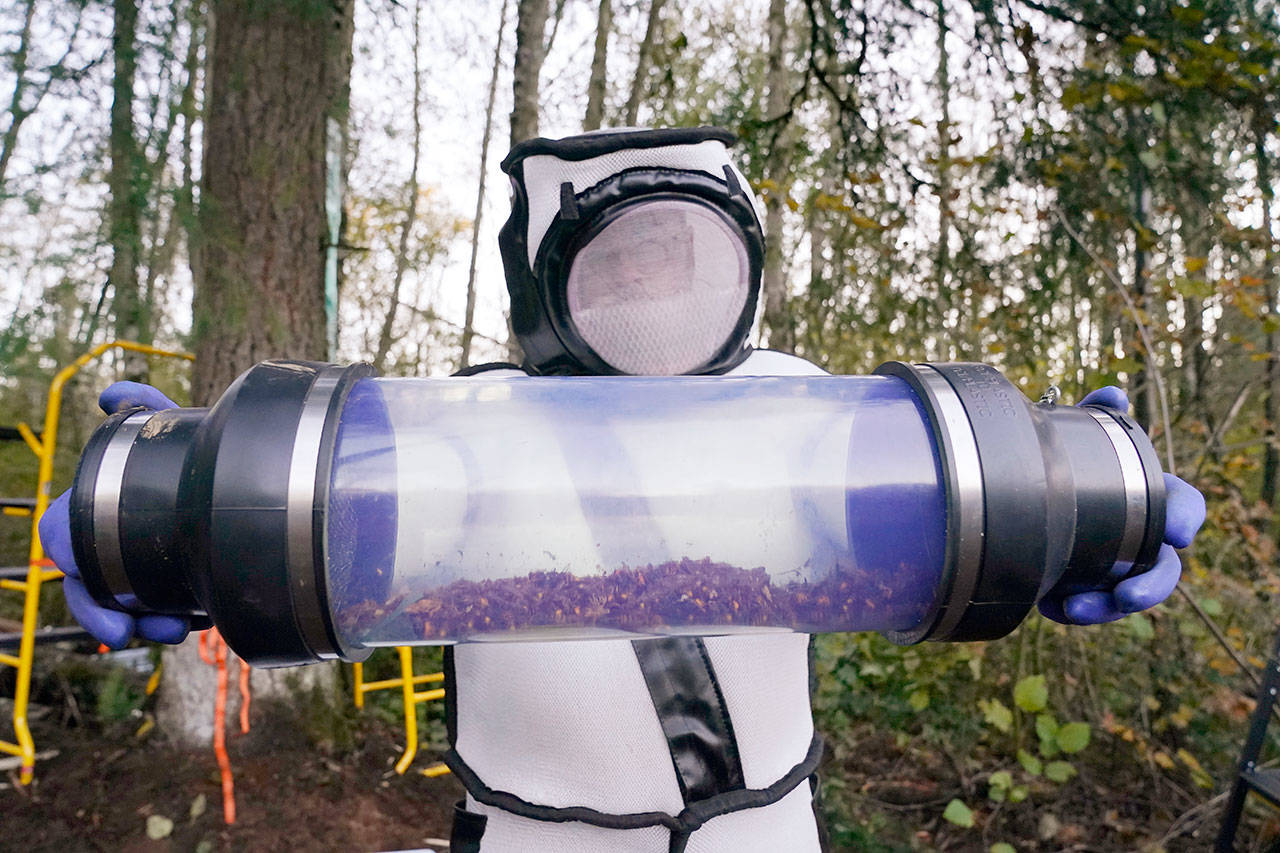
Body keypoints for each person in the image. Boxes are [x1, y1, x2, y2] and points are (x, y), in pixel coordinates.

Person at [41, 127, 1206, 853]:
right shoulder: (454, 433)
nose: (650, 282)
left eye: (677, 253)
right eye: (620, 256)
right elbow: (312, 533)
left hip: (764, 835)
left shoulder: (819, 415)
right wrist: (183, 520)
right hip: (536, 842)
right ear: (546, 268)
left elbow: (953, 518)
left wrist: (1063, 503)